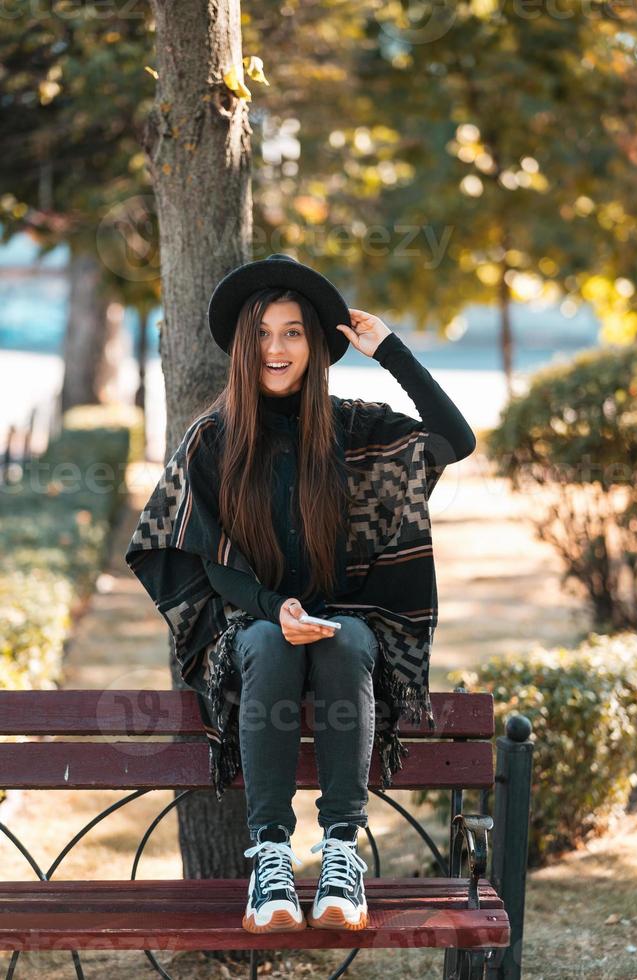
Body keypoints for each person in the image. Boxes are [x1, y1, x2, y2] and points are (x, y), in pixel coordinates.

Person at [125, 253, 476, 936]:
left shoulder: (356, 428)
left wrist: (390, 351)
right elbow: (198, 549)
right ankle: (272, 859)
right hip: (250, 634)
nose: (276, 348)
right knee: (265, 640)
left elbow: (453, 440)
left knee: (346, 637)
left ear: (315, 346)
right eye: (262, 334)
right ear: (241, 347)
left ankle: (343, 853)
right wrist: (269, 606)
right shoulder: (215, 437)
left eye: (292, 333)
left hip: (351, 625)